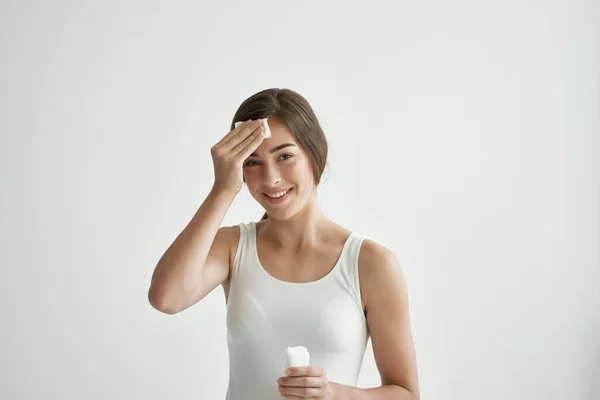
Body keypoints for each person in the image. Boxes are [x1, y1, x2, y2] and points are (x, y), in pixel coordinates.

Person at [148, 88, 419, 400]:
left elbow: (406, 394)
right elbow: (166, 298)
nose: (271, 178)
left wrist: (333, 393)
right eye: (252, 162)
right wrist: (223, 189)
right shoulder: (233, 247)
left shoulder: (370, 262)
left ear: (315, 154)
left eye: (285, 156)